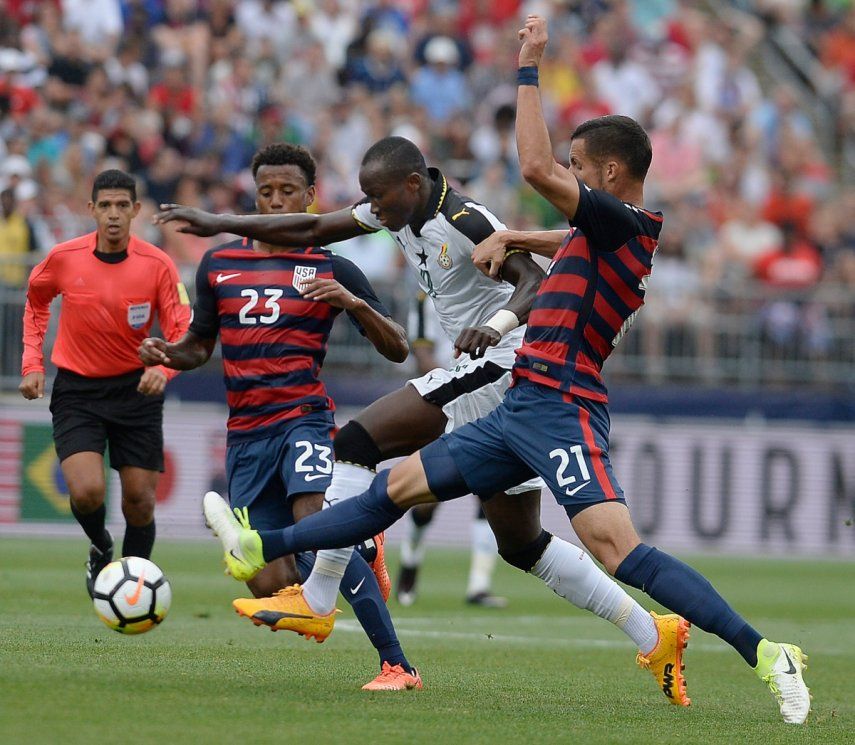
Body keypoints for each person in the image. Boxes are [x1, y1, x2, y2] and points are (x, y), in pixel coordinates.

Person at [196, 16, 812, 725]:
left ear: (608, 174)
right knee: (400, 487)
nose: (569, 179)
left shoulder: (626, 223)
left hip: (560, 403)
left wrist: (529, 67)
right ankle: (264, 550)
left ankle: (767, 651)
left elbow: (533, 169)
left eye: (579, 168)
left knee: (618, 548)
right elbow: (555, 233)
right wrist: (516, 233)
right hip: (519, 403)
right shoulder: (599, 228)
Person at [157, 136, 693, 707]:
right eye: (367, 199)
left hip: (505, 362)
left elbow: (537, 281)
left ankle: (318, 596)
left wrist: (498, 322)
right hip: (480, 378)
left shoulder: (462, 218)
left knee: (358, 442)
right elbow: (312, 230)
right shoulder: (396, 208)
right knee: (520, 542)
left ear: (412, 185)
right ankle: (651, 632)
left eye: (378, 198)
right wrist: (217, 222)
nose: (372, 210)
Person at [140, 143, 420, 691]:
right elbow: (200, 345)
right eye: (265, 192)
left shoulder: (330, 265)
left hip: (303, 419)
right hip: (246, 433)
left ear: (310, 197)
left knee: (315, 523)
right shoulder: (220, 265)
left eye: (287, 191)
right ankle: (363, 542)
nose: (274, 201)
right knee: (272, 579)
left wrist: (352, 302)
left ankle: (396, 665)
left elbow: (399, 348)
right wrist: (169, 353)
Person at [20, 168, 191, 598]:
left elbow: (182, 327)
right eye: (106, 206)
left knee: (140, 500)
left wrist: (163, 368)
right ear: (91, 209)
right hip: (78, 390)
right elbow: (36, 301)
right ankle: (100, 546)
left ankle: (135, 591)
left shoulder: (158, 264)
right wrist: (31, 363)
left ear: (135, 211)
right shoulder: (64, 257)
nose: (113, 215)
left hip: (137, 389)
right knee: (87, 491)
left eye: (122, 206)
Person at [398, 292, 507, 608]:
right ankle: (410, 562)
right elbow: (421, 353)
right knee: (429, 494)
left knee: (491, 490)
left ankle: (479, 585)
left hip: (488, 399)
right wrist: (456, 384)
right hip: (446, 398)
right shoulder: (426, 295)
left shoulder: (497, 291)